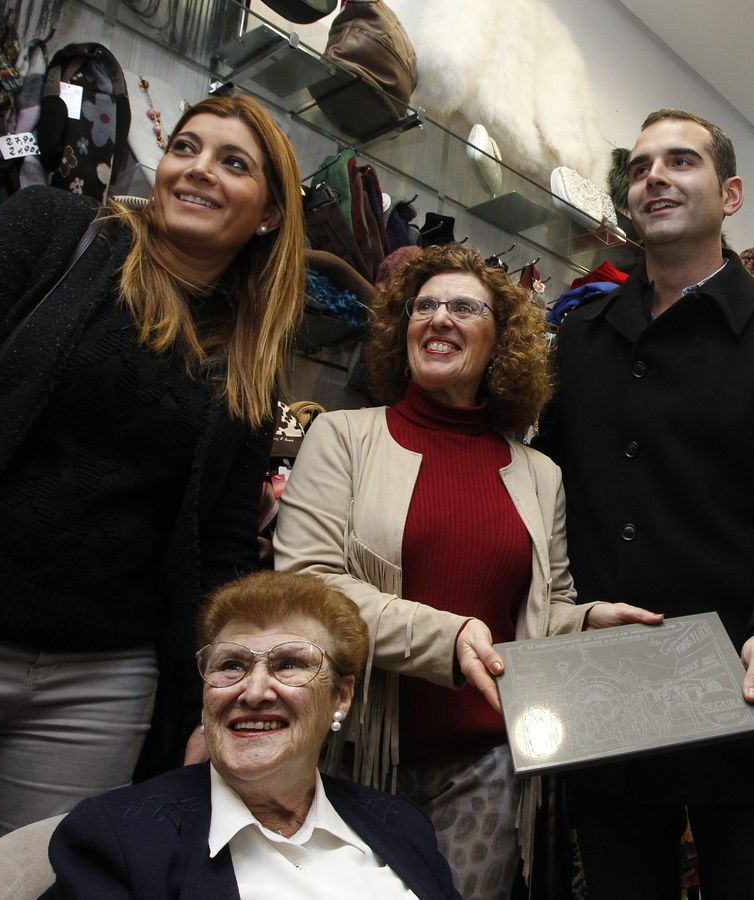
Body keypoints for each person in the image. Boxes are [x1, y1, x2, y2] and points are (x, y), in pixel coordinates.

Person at [0, 93, 305, 900]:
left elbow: (223, 552)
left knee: (42, 890)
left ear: (270, 215)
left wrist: (218, 699)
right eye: (186, 146)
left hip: (104, 684)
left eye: (233, 162)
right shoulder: (54, 232)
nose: (198, 168)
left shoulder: (248, 362)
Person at [272, 243, 660, 900]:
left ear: (500, 340)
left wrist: (589, 620)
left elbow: (543, 609)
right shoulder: (342, 439)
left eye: (463, 306)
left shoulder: (538, 474)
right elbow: (308, 590)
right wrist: (447, 638)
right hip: (359, 755)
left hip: (489, 765)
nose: (439, 318)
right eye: (423, 306)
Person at [533, 108, 754, 899]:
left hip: (745, 678)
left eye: (681, 161)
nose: (656, 179)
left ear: (731, 192)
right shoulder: (582, 339)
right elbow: (549, 495)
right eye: (641, 168)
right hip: (609, 682)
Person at [42, 570, 462, 899]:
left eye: (289, 664)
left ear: (341, 696)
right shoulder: (119, 837)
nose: (255, 691)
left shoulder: (401, 825)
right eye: (231, 665)